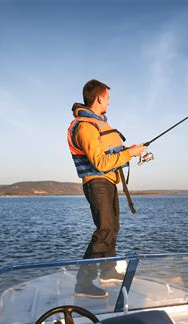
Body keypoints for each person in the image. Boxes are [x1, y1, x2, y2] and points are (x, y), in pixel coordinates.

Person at [67, 79, 145, 298]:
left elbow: (108, 155)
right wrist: (129, 153)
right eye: (108, 99)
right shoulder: (85, 126)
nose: (109, 103)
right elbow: (100, 163)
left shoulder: (96, 124)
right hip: (97, 182)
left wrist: (129, 150)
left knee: (112, 228)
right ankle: (83, 283)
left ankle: (108, 271)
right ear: (100, 98)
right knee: (104, 229)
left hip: (108, 182)